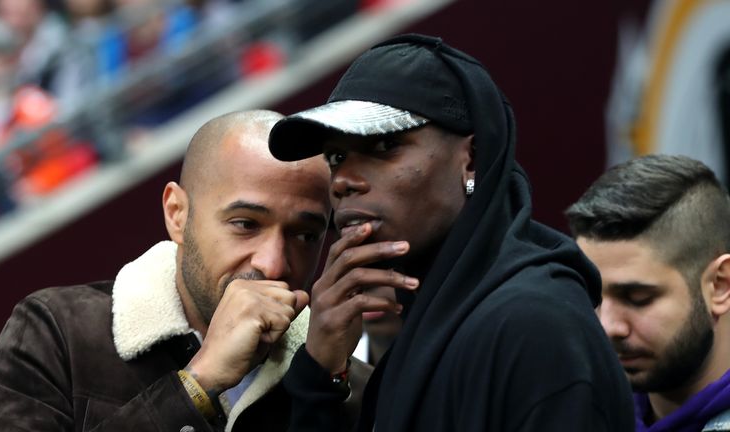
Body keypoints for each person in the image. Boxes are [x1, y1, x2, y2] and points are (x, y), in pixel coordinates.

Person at [269, 33, 634, 431]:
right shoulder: (428, 329)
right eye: (336, 157)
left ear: (472, 159)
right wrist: (321, 375)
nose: (343, 181)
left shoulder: (532, 327)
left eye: (383, 146)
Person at [0, 110, 367, 431]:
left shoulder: (349, 383)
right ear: (177, 214)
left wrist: (325, 386)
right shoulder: (58, 332)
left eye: (305, 235)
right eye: (245, 224)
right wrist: (198, 384)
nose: (273, 263)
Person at [566, 154, 730, 431]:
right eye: (592, 297)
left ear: (720, 285)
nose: (608, 326)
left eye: (637, 298)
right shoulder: (581, 412)